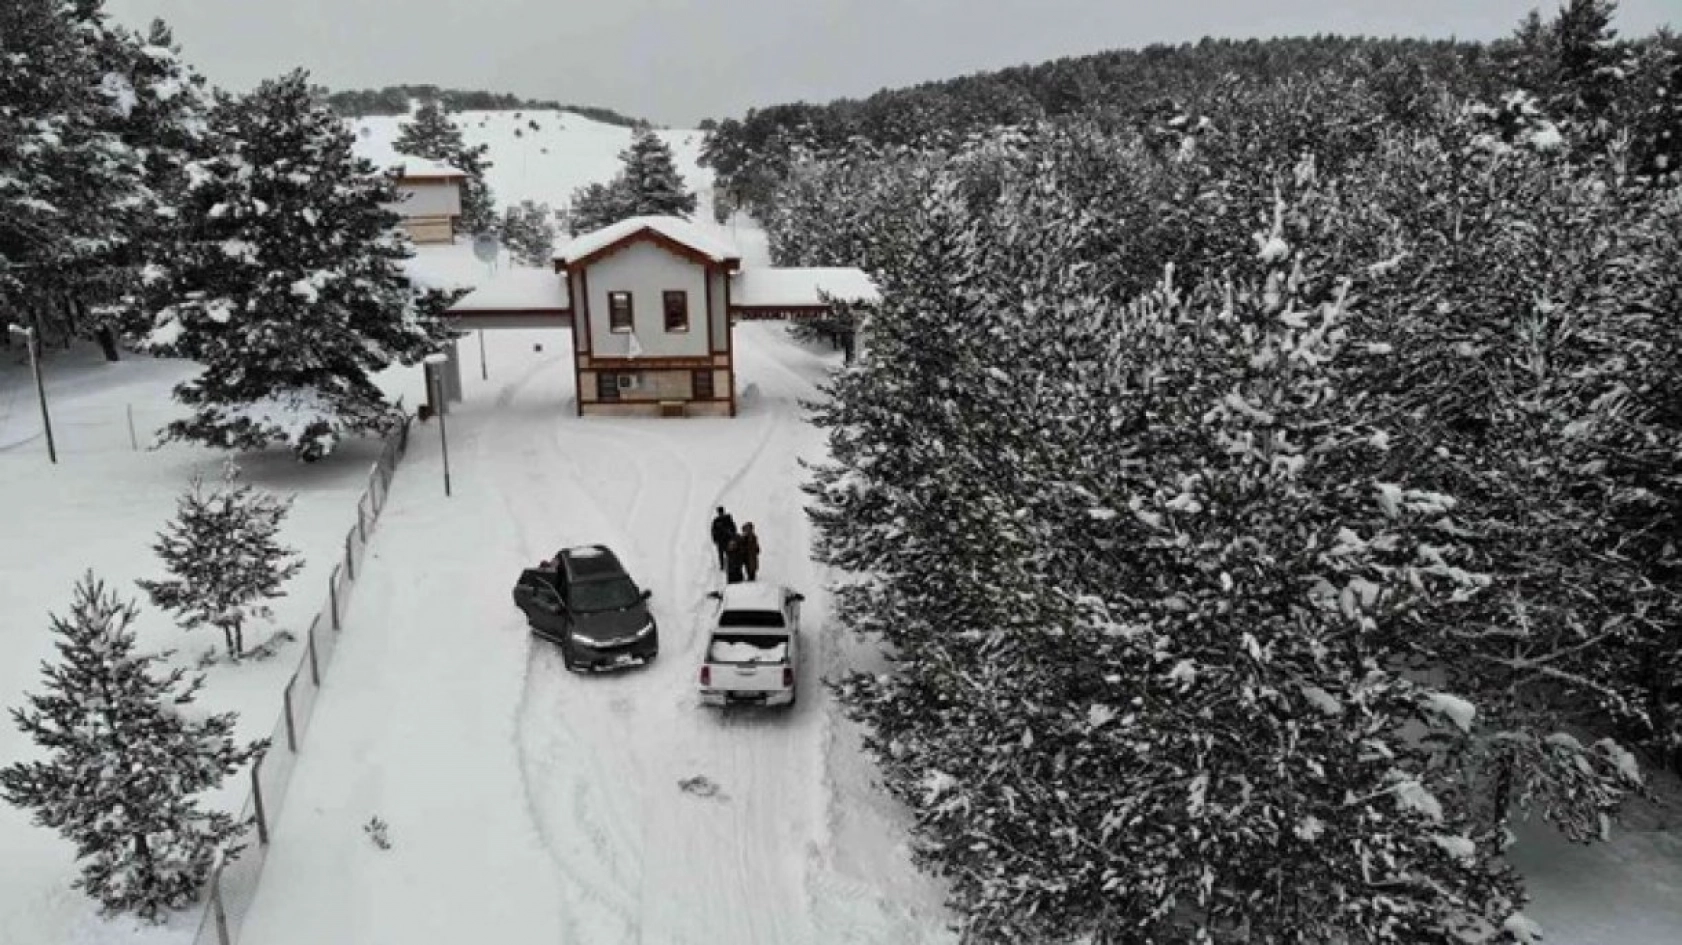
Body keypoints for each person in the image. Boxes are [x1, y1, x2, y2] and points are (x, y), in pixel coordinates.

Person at [710, 506, 737, 571]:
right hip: (720, 541)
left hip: (728, 540)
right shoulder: (716, 521)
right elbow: (713, 531)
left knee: (729, 553)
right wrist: (715, 539)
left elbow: (733, 528)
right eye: (719, 512)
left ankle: (730, 565)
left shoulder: (728, 519)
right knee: (721, 554)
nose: (720, 514)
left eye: (721, 512)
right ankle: (722, 565)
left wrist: (733, 536)